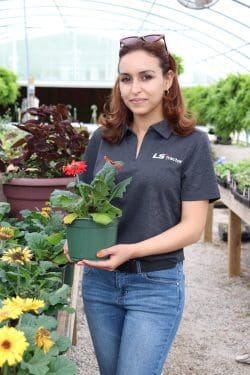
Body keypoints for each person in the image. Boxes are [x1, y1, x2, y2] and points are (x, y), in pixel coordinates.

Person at [65, 34, 220, 375]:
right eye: (126, 78)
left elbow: (192, 228)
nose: (135, 88)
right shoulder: (103, 139)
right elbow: (84, 204)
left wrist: (131, 250)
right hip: (100, 283)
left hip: (156, 285)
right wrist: (72, 236)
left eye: (146, 76)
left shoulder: (191, 143)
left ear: (168, 80)